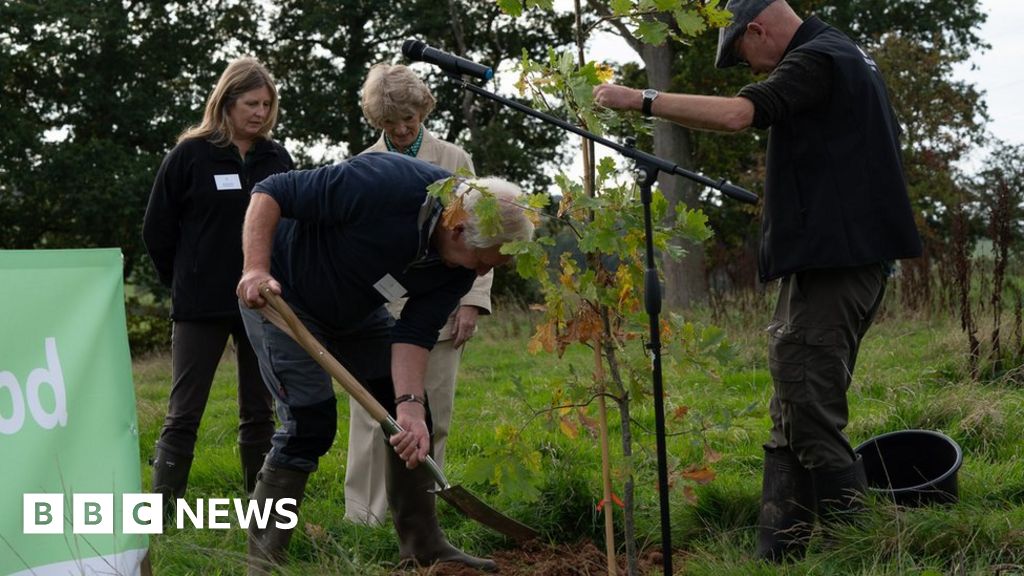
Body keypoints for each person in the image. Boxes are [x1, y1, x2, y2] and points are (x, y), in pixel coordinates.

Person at [593, 0, 922, 561]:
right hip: (835, 262)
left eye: (743, 55)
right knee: (791, 402)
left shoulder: (818, 57)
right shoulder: (846, 54)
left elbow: (738, 115)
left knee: (809, 405)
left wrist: (640, 99)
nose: (751, 68)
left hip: (837, 266)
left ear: (757, 29)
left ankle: (860, 554)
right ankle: (779, 553)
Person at [235, 151, 534, 574]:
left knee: (410, 422)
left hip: (357, 312)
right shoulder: (383, 184)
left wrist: (410, 408)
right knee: (309, 422)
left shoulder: (460, 266)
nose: (482, 273)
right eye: (484, 262)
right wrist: (255, 268)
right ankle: (262, 564)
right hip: (283, 296)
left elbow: (415, 331)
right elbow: (271, 192)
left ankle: (423, 548)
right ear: (457, 229)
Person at [142, 56, 294, 517]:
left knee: (259, 410)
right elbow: (157, 230)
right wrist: (184, 280)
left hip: (262, 303)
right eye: (251, 104)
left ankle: (261, 510)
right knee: (184, 411)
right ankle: (163, 513)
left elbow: (292, 227)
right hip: (200, 305)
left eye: (267, 104)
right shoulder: (189, 155)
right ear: (226, 102)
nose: (260, 113)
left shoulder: (277, 159)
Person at [344, 63, 493, 526]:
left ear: (423, 109)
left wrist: (473, 301)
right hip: (374, 311)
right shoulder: (362, 164)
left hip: (442, 308)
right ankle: (365, 517)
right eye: (390, 122)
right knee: (371, 416)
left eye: (408, 119)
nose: (402, 129)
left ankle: (423, 516)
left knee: (433, 414)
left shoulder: (454, 158)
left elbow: (482, 231)